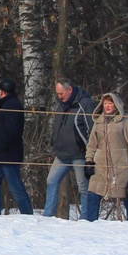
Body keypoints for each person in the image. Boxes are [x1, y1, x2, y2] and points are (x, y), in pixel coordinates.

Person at [82, 92, 128, 221]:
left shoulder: (126, 120)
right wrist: (88, 160)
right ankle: (90, 223)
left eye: (110, 103)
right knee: (93, 192)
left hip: (121, 164)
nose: (107, 106)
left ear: (116, 105)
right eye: (105, 103)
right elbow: (92, 143)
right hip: (100, 165)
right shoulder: (98, 121)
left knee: (127, 193)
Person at [43, 78, 96, 217]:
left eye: (61, 93)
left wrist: (90, 154)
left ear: (70, 90)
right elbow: (56, 127)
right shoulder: (60, 105)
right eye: (57, 94)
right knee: (51, 181)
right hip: (61, 155)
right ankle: (48, 216)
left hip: (80, 154)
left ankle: (86, 219)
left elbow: (92, 129)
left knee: (83, 187)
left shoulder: (85, 104)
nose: (59, 97)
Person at [0, 78, 34, 214]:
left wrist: (1, 146)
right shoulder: (8, 104)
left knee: (16, 187)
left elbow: (11, 131)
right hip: (1, 154)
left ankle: (28, 214)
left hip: (8, 154)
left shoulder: (12, 106)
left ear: (2, 91)